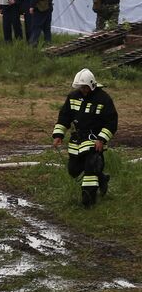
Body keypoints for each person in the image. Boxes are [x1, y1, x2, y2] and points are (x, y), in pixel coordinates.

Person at [52, 69, 117, 207]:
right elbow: (64, 116)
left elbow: (111, 122)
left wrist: (101, 139)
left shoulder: (103, 99)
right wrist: (58, 135)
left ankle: (88, 201)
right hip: (77, 140)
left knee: (90, 169)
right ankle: (102, 178)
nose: (83, 90)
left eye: (85, 87)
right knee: (73, 170)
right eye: (81, 87)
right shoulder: (73, 96)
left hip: (95, 139)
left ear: (92, 85)